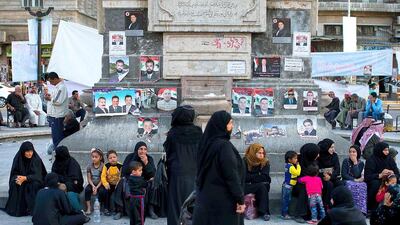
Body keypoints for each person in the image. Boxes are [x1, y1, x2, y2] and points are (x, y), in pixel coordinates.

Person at [193, 111, 245, 225]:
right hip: (223, 203)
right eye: (230, 123)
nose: (232, 126)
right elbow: (231, 175)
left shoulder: (206, 144)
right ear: (222, 125)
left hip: (205, 200)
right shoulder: (224, 146)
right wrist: (240, 199)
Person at [164, 106, 203, 225]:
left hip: (177, 174)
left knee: (176, 205)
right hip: (195, 173)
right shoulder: (198, 131)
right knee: (193, 205)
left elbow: (168, 151)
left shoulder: (173, 132)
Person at [5, 141, 47, 217]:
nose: (30, 153)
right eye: (27, 151)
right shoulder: (18, 159)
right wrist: (18, 178)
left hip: (35, 180)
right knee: (15, 182)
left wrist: (26, 178)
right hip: (22, 179)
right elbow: (14, 173)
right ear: (23, 152)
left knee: (34, 184)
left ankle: (32, 209)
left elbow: (38, 175)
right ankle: (19, 209)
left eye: (31, 151)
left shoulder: (36, 159)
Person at [121, 142, 157, 219]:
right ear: (136, 149)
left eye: (145, 149)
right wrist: (134, 161)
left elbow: (153, 174)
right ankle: (120, 210)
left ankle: (151, 209)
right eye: (141, 149)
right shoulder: (130, 157)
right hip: (131, 180)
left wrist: (146, 163)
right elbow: (124, 171)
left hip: (144, 181)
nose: (143, 151)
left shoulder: (149, 158)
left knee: (153, 183)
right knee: (121, 182)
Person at [365, 142, 399, 213]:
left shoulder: (389, 159)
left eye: (387, 150)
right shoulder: (371, 160)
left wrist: (392, 173)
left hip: (389, 179)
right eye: (385, 150)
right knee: (375, 184)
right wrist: (380, 175)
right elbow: (367, 176)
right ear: (379, 150)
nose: (387, 152)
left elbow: (397, 172)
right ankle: (372, 208)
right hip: (377, 180)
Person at [289, 143, 320, 223]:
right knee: (305, 188)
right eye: (316, 153)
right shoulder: (297, 160)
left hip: (310, 183)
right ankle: (299, 214)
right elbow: (296, 175)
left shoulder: (314, 161)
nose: (318, 155)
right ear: (311, 153)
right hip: (296, 184)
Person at [243, 143, 272, 221]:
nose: (262, 155)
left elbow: (265, 177)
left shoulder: (265, 162)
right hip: (246, 186)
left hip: (258, 185)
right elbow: (243, 177)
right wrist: (258, 174)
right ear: (253, 152)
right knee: (262, 186)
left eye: (263, 153)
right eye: (259, 153)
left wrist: (251, 177)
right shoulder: (245, 161)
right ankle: (264, 212)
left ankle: (264, 212)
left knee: (263, 186)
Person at [51, 146, 84, 213]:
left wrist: (60, 180)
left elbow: (74, 179)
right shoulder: (56, 162)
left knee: (64, 187)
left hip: (74, 186)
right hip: (60, 183)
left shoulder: (72, 163)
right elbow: (53, 174)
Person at [341, 145, 367, 214]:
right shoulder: (345, 161)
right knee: (350, 184)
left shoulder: (361, 163)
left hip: (357, 181)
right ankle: (350, 208)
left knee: (363, 185)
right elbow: (344, 174)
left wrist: (355, 163)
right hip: (346, 180)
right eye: (350, 152)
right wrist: (354, 180)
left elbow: (357, 174)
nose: (351, 154)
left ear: (358, 153)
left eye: (354, 152)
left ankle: (360, 209)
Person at [45, 72, 68, 148]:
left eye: (51, 81)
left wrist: (50, 98)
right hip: (54, 115)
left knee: (57, 137)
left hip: (57, 116)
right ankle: (58, 152)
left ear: (55, 79)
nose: (51, 83)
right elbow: (55, 98)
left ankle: (59, 153)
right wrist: (50, 96)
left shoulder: (61, 88)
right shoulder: (57, 87)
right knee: (55, 137)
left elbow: (58, 101)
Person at [317, 138, 340, 209]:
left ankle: (339, 205)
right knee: (329, 184)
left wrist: (331, 177)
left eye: (333, 147)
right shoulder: (319, 156)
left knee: (341, 184)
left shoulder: (334, 156)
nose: (333, 149)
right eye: (331, 147)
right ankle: (326, 205)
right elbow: (317, 169)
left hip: (332, 177)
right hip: (321, 177)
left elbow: (337, 169)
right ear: (326, 147)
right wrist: (324, 174)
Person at [100, 150, 123, 217]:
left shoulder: (120, 166)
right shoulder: (106, 166)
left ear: (117, 157)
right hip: (109, 184)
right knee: (106, 192)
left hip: (117, 184)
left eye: (114, 157)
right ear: (108, 159)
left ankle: (116, 210)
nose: (112, 159)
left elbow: (121, 176)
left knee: (116, 195)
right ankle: (106, 208)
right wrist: (105, 183)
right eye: (110, 158)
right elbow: (103, 176)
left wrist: (118, 184)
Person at [84, 148, 104, 215]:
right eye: (93, 157)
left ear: (100, 157)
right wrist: (93, 186)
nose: (94, 159)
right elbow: (89, 178)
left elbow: (102, 179)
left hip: (100, 183)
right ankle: (88, 208)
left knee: (101, 191)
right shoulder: (89, 166)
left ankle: (99, 207)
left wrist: (97, 187)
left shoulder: (103, 166)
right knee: (87, 190)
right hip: (92, 183)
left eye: (96, 157)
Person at [281, 151, 301, 219]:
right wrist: (298, 165)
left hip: (287, 185)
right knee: (286, 200)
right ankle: (284, 214)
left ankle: (285, 213)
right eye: (295, 158)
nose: (297, 160)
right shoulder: (291, 167)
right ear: (289, 159)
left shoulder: (287, 165)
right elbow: (298, 173)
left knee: (286, 199)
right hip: (288, 186)